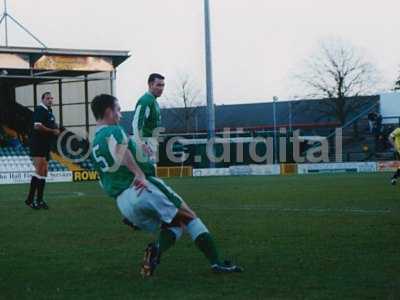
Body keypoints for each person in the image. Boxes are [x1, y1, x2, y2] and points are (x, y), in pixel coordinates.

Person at [91, 94, 242, 277]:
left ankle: (155, 251)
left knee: (174, 225)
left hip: (123, 203)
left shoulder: (94, 144)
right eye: (118, 109)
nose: (121, 114)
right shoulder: (113, 130)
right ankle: (217, 263)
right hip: (144, 188)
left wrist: (139, 151)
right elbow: (120, 151)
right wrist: (139, 174)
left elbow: (103, 180)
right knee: (190, 217)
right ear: (109, 111)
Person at [25, 92, 60, 209]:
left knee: (44, 172)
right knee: (39, 170)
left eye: (51, 98)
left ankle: (39, 200)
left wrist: (55, 128)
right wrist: (52, 130)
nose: (50, 100)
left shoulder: (49, 111)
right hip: (38, 144)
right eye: (48, 98)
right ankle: (30, 200)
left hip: (45, 144)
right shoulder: (40, 109)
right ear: (43, 99)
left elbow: (49, 125)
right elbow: (37, 126)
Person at [132, 73, 164, 165]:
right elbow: (136, 124)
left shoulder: (153, 101)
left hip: (150, 142)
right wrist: (141, 143)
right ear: (150, 85)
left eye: (162, 85)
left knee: (149, 174)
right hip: (146, 143)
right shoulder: (146, 100)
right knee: (148, 175)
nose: (161, 88)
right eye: (158, 85)